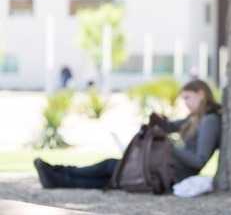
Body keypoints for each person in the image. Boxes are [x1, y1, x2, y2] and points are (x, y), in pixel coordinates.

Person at [34, 79, 221, 190]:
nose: (186, 103)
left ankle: (58, 172)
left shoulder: (209, 121)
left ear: (201, 93)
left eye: (188, 98)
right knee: (114, 176)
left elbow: (199, 160)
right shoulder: (195, 118)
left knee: (112, 168)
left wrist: (170, 146)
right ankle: (57, 177)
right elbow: (170, 127)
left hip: (173, 174)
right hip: (166, 168)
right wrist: (158, 124)